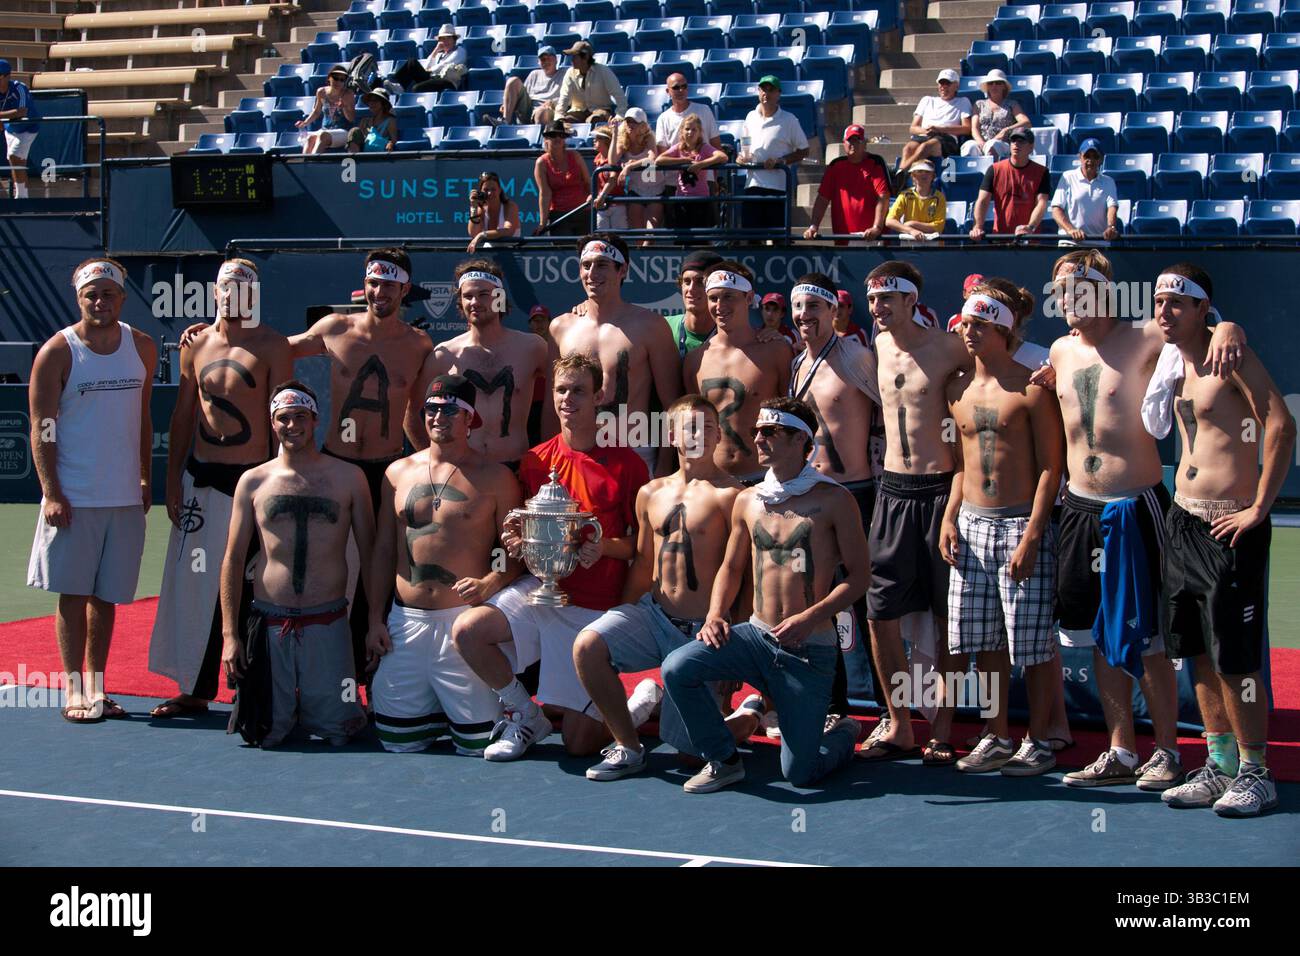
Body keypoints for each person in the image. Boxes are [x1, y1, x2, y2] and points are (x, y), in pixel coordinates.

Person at [1046, 250, 1246, 789]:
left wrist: (1228, 323)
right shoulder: (1060, 351)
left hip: (1136, 507)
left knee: (1150, 635)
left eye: (1075, 288)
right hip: (1079, 510)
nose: (1064, 298)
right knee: (1098, 636)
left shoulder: (1144, 338)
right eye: (1059, 289)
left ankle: (1167, 751)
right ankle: (1120, 750)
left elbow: (1199, 327)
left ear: (1102, 291)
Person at [1144, 266, 1294, 816]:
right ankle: (1220, 761)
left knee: (1236, 659)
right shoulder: (1171, 359)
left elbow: (1279, 425)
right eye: (1159, 302)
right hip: (1183, 520)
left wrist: (1259, 507)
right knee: (1197, 653)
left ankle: (1257, 770)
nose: (1164, 312)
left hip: (1230, 526)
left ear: (1203, 308)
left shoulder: (1230, 356)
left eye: (1177, 304)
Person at [660, 397, 868, 792]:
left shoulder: (834, 500)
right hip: (755, 637)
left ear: (799, 440)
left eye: (770, 432)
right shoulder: (748, 499)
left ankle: (845, 732)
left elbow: (859, 578)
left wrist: (808, 619)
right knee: (677, 668)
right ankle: (723, 759)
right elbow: (732, 567)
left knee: (800, 774)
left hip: (808, 649)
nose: (757, 438)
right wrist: (717, 614)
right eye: (757, 430)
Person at [450, 353, 650, 759]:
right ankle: (526, 714)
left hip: (592, 607)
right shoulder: (536, 459)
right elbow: (528, 533)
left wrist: (603, 547)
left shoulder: (627, 464)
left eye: (579, 390)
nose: (568, 398)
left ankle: (639, 704)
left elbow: (641, 546)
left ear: (599, 397)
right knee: (468, 632)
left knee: (579, 746)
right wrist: (515, 540)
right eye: (561, 389)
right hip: (539, 590)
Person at [574, 395, 757, 779]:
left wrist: (734, 645)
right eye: (690, 427)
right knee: (588, 645)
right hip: (654, 616)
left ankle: (749, 715)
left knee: (691, 756)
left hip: (703, 634)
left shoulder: (734, 496)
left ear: (718, 436)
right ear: (672, 434)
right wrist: (622, 615)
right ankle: (629, 747)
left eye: (708, 427)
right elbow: (642, 562)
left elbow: (742, 574)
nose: (699, 435)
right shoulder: (650, 492)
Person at [148, 259, 292, 719]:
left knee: (257, 588)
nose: (235, 296)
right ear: (215, 293)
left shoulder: (272, 345)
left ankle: (253, 690)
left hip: (253, 482)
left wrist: (279, 487)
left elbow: (282, 422)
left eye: (244, 289)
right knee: (195, 587)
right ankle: (194, 688)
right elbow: (184, 417)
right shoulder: (196, 345)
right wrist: (172, 482)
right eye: (227, 288)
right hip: (202, 481)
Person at [283, 248, 434, 689]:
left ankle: (372, 667)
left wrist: (425, 459)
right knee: (325, 564)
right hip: (337, 463)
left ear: (404, 289)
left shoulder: (418, 344)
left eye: (388, 284)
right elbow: (276, 351)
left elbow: (414, 409)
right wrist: (220, 332)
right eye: (372, 282)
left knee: (379, 568)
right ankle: (313, 667)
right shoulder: (335, 328)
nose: (378, 291)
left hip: (386, 470)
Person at [938, 284, 1065, 775]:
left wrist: (1033, 534)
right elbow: (959, 465)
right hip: (970, 525)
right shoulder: (956, 388)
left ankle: (1039, 739)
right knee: (985, 642)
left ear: (1002, 332)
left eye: (978, 326)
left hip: (1018, 525)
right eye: (965, 325)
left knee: (1031, 643)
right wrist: (950, 517)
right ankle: (996, 734)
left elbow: (1052, 469)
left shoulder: (1032, 388)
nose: (967, 333)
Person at [27, 258, 157, 722]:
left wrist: (144, 477)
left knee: (107, 597)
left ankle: (98, 687)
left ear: (122, 299)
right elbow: (42, 426)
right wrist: (52, 491)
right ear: (79, 299)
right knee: (74, 594)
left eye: (108, 294)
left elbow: (142, 419)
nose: (99, 302)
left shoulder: (142, 347)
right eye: (91, 295)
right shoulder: (57, 352)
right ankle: (74, 689)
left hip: (124, 498)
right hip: (74, 499)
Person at [366, 375, 524, 755]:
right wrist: (374, 619)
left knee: (478, 745)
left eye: (450, 409)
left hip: (461, 626)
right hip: (405, 623)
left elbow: (515, 554)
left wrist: (490, 582)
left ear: (470, 419)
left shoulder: (497, 477)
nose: (439, 416)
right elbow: (384, 550)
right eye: (432, 409)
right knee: (396, 742)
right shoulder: (396, 473)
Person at [859, 260, 971, 764]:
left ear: (911, 301)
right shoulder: (877, 347)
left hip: (940, 489)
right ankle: (900, 723)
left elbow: (1004, 358)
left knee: (949, 616)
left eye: (888, 298)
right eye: (873, 299)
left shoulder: (949, 347)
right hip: (892, 490)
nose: (878, 308)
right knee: (879, 611)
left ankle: (943, 729)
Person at [220, 382, 373, 748]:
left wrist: (376, 621)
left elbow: (373, 554)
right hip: (270, 623)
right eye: (283, 418)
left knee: (341, 733)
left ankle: (322, 705)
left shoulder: (349, 478)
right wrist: (230, 635)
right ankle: (284, 706)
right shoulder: (253, 482)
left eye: (300, 416)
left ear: (316, 419)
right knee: (263, 734)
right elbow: (234, 557)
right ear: (272, 423)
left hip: (329, 621)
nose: (292, 425)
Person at [787, 274, 881, 728]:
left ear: (833, 312)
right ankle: (833, 704)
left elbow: (893, 408)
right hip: (811, 493)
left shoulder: (855, 357)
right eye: (798, 307)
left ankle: (887, 707)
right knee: (818, 599)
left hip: (856, 494)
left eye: (813, 307)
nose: (805, 315)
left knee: (867, 602)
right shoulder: (796, 364)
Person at [546, 233, 683, 476]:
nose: (592, 273)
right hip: (575, 455)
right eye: (586, 265)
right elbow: (551, 405)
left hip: (632, 451)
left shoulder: (650, 326)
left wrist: (665, 468)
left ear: (623, 270)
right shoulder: (561, 327)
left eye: (602, 265)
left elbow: (672, 405)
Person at [409, 259, 547, 468]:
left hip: (516, 466)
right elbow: (411, 412)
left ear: (499, 298)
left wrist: (550, 456)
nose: (474, 302)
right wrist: (432, 460)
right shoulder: (444, 354)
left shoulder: (532, 348)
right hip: (465, 471)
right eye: (467, 296)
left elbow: (565, 396)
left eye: (483, 294)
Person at [683, 262, 793, 483]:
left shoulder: (775, 350)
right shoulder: (695, 359)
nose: (720, 305)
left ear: (749, 298)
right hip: (712, 480)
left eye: (729, 296)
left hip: (764, 477)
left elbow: (793, 416)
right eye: (713, 298)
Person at [738, 76, 809, 233]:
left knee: (778, 238)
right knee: (751, 238)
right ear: (758, 91)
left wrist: (781, 161)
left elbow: (804, 150)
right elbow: (745, 147)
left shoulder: (789, 120)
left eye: (771, 90)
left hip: (777, 188)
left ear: (779, 94)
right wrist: (741, 157)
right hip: (753, 185)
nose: (766, 94)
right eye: (763, 89)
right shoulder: (750, 117)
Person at [803, 124, 891, 243]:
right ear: (844, 143)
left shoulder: (875, 163)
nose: (853, 144)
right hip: (844, 238)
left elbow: (883, 196)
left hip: (872, 239)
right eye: (850, 141)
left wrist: (877, 227)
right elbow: (822, 199)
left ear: (865, 144)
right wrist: (814, 226)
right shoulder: (835, 166)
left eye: (858, 140)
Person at [970, 128, 1050, 239]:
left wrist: (1030, 227)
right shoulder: (994, 169)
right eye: (1013, 141)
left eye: (1021, 141)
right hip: (1001, 237)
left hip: (1029, 239)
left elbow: (1041, 203)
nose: (1016, 144)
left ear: (1031, 147)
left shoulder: (1042, 172)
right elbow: (982, 200)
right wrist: (977, 227)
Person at [655, 112, 727, 230]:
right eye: (687, 129)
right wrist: (683, 160)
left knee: (700, 238)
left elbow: (722, 156)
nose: (690, 133)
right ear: (682, 131)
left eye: (694, 130)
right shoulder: (679, 147)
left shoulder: (704, 147)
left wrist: (701, 164)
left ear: (699, 132)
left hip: (701, 199)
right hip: (681, 199)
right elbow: (659, 160)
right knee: (682, 238)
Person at [898, 69, 973, 175]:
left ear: (956, 86)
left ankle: (902, 172)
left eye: (947, 83)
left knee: (925, 147)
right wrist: (927, 130)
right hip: (925, 134)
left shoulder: (963, 101)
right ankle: (901, 176)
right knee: (908, 148)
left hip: (946, 138)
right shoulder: (927, 100)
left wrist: (940, 129)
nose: (943, 86)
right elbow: (913, 128)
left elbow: (967, 129)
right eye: (941, 83)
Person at [1051, 138, 1120, 243]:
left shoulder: (1108, 182)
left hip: (1098, 244)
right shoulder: (1067, 177)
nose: (1090, 160)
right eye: (1087, 156)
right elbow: (1056, 210)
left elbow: (1112, 208)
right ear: (1080, 157)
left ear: (1101, 159)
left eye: (1095, 157)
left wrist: (1111, 227)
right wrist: (1071, 230)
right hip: (1071, 242)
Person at [613, 107, 666, 236]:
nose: (630, 125)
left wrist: (629, 167)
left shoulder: (649, 137)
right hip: (636, 191)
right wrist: (614, 134)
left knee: (650, 235)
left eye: (634, 122)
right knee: (638, 236)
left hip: (655, 189)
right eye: (628, 121)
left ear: (642, 125)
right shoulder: (622, 140)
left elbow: (652, 159)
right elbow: (612, 160)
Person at [534, 120, 592, 237]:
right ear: (546, 139)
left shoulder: (575, 156)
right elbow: (545, 194)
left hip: (583, 212)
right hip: (559, 215)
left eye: (561, 135)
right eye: (553, 135)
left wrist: (591, 195)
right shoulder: (541, 162)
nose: (557, 138)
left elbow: (588, 182)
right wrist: (542, 222)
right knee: (563, 249)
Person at [664, 250, 725, 361]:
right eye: (687, 281)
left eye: (700, 282)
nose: (691, 289)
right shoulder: (662, 328)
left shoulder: (729, 335)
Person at [960, 69, 1030, 160]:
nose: (994, 86)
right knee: (969, 146)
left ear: (1004, 86)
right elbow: (974, 127)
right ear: (987, 87)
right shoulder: (979, 104)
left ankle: (992, 172)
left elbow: (1026, 122)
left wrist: (1006, 130)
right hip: (981, 141)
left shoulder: (1012, 104)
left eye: (998, 83)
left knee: (992, 145)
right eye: (991, 83)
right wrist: (980, 142)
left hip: (1002, 143)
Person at [555, 40, 628, 122]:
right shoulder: (570, 73)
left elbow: (619, 95)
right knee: (566, 121)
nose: (572, 60)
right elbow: (564, 97)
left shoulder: (603, 71)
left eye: (575, 57)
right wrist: (559, 116)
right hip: (578, 112)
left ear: (585, 57)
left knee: (593, 119)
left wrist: (620, 115)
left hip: (600, 111)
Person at [392, 23, 467, 94]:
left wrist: (430, 70)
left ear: (454, 40)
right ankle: (399, 86)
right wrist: (436, 50)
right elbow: (426, 67)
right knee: (412, 63)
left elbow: (446, 64)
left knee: (416, 88)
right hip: (433, 78)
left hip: (447, 81)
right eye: (442, 39)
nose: (445, 41)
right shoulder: (439, 55)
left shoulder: (459, 51)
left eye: (448, 38)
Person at [0, 59, 38, 199]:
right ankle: (22, 196)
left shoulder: (19, 87)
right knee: (14, 160)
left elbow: (21, 111)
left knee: (14, 156)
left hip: (28, 128)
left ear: (6, 76)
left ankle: (21, 197)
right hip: (9, 128)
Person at [498, 45, 562, 126]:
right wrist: (507, 105)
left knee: (541, 112)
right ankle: (505, 122)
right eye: (543, 59)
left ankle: (540, 136)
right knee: (512, 81)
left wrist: (553, 102)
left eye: (549, 58)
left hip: (550, 111)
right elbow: (522, 95)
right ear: (539, 62)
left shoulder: (565, 74)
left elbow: (571, 96)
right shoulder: (534, 74)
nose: (546, 61)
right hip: (529, 109)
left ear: (556, 59)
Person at [655, 73, 722, 150]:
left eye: (684, 86)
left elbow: (716, 145)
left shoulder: (704, 110)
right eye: (676, 87)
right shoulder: (663, 118)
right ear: (668, 91)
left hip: (704, 160)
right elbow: (662, 152)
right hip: (676, 161)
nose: (681, 90)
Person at [299, 66, 356, 154]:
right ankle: (304, 165)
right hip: (325, 129)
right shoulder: (321, 92)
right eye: (336, 78)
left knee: (323, 135)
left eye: (342, 80)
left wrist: (344, 107)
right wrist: (305, 123)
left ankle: (313, 163)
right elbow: (316, 111)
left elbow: (351, 118)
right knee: (310, 138)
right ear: (329, 78)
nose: (338, 82)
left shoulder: (348, 94)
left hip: (344, 131)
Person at [885, 160, 947, 240]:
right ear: (913, 176)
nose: (923, 174)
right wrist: (911, 231)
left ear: (933, 176)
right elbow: (889, 221)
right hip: (909, 243)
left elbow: (938, 227)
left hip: (933, 244)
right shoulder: (905, 195)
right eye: (919, 171)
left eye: (927, 172)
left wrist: (912, 224)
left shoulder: (939, 197)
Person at [466, 171, 521, 252]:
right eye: (486, 190)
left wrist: (483, 234)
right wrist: (473, 208)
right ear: (480, 192)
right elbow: (474, 233)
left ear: (499, 190)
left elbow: (508, 231)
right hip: (491, 254)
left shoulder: (510, 206)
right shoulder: (480, 210)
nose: (489, 193)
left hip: (513, 253)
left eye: (493, 189)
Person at [591, 124, 627, 231]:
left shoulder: (615, 158)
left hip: (617, 204)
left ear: (606, 141)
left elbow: (613, 179)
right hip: (602, 204)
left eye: (597, 138)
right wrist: (594, 195)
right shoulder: (597, 158)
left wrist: (602, 196)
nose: (594, 140)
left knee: (618, 237)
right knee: (601, 236)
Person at [347, 88, 397, 154]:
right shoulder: (364, 121)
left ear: (383, 103)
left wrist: (390, 144)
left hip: (380, 153)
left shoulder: (390, 121)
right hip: (364, 153)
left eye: (375, 101)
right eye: (370, 101)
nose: (371, 103)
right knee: (354, 131)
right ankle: (353, 159)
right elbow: (361, 140)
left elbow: (394, 140)